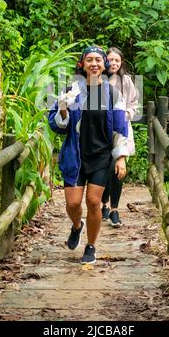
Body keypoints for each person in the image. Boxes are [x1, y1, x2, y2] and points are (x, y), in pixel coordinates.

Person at [48, 46, 129, 264]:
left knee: (94, 202)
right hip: (75, 154)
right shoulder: (70, 90)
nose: (94, 64)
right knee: (73, 204)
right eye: (89, 60)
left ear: (105, 65)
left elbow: (121, 127)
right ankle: (77, 225)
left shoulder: (113, 94)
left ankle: (91, 246)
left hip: (101, 156)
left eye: (98, 60)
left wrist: (120, 156)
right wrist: (63, 110)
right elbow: (57, 127)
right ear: (82, 64)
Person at [101, 47, 139, 227]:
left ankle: (115, 209)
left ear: (121, 62)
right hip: (102, 130)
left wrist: (127, 113)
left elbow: (134, 102)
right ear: (105, 61)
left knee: (118, 169)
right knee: (104, 168)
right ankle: (104, 205)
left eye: (117, 60)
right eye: (111, 60)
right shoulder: (98, 79)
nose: (114, 63)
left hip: (122, 127)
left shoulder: (126, 81)